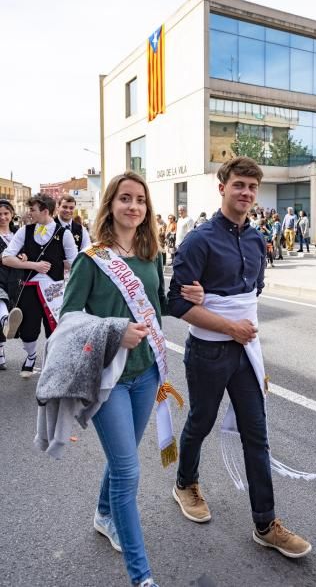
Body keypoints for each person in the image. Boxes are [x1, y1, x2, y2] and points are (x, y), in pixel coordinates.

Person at [59, 171, 204, 587]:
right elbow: (68, 322)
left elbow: (158, 306)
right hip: (108, 378)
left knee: (123, 459)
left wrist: (191, 298)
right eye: (125, 198)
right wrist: (112, 330)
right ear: (111, 204)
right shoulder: (92, 260)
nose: (133, 206)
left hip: (145, 375)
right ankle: (142, 578)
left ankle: (105, 516)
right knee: (128, 471)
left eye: (140, 200)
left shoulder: (150, 255)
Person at [168, 156, 313, 560]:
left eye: (252, 187)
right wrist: (227, 324)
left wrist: (234, 321)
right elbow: (174, 302)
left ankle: (266, 524)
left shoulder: (256, 239)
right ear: (222, 188)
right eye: (239, 185)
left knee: (257, 434)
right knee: (201, 421)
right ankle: (185, 483)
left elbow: (253, 291)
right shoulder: (199, 240)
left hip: (246, 353)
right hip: (209, 352)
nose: (246, 193)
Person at [2, 193, 78, 377]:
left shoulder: (64, 234)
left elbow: (75, 262)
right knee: (28, 329)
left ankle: (52, 363)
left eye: (32, 210)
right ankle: (31, 356)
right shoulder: (24, 231)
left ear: (45, 211)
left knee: (55, 328)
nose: (29, 213)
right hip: (29, 286)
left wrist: (65, 266)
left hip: (55, 290)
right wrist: (32, 265)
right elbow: (6, 258)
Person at [0, 200, 25, 370]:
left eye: (5, 213)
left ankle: (5, 321)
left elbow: (29, 250)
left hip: (15, 279)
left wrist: (24, 255)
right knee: (0, 300)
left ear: (11, 214)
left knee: (6, 305)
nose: (2, 217)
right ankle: (5, 320)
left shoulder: (20, 233)